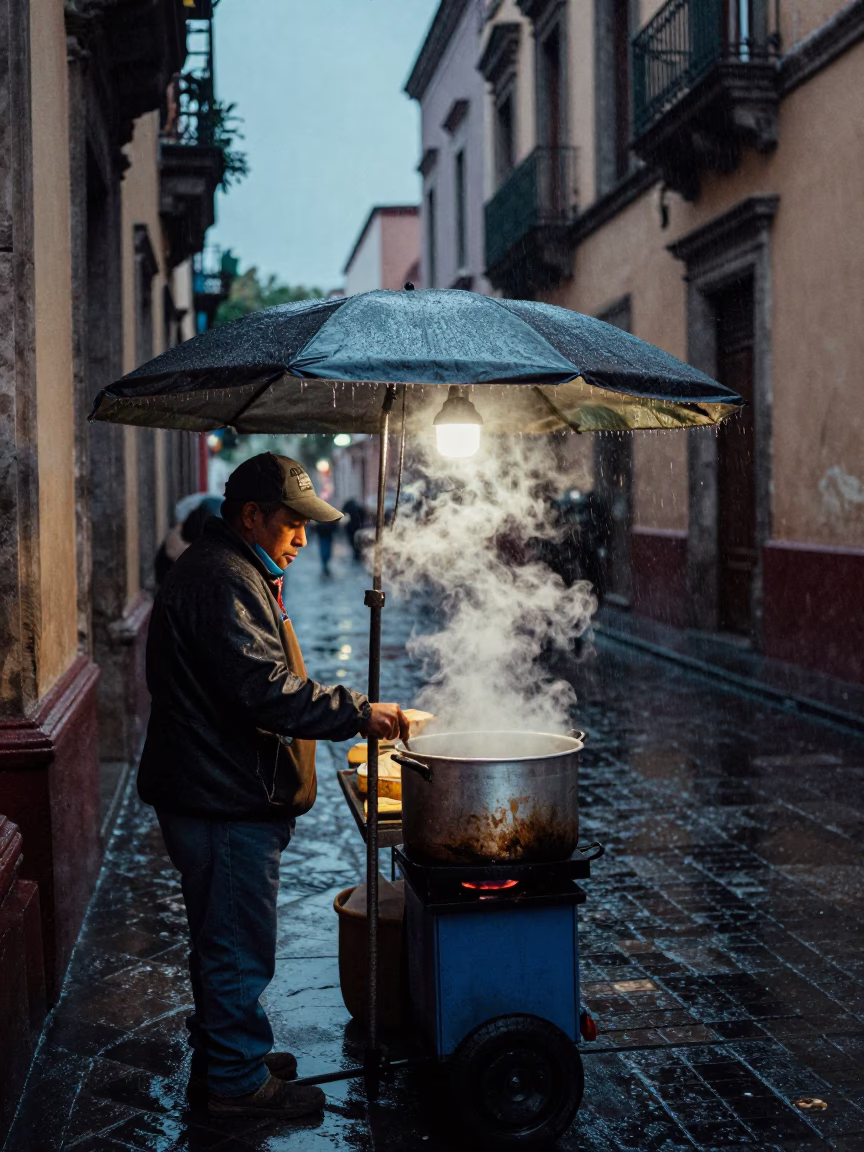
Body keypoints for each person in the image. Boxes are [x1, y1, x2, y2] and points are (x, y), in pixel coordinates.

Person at [138, 452, 408, 1120]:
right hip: (221, 798)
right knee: (235, 945)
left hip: (216, 789)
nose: (302, 537)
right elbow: (263, 688)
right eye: (292, 522)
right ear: (251, 515)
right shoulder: (222, 577)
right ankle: (235, 1084)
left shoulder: (232, 568)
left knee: (224, 938)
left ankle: (232, 1053)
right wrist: (355, 712)